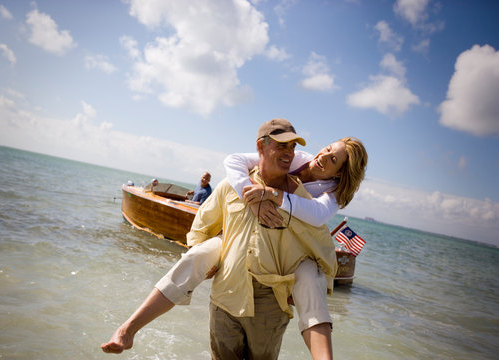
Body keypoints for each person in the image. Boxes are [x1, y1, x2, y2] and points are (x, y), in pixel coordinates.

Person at [101, 121, 368, 359]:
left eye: (292, 148)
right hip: (227, 292)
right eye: (281, 147)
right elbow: (203, 224)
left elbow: (320, 243)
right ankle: (128, 328)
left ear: (338, 173)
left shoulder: (308, 200)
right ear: (260, 148)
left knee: (309, 279)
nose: (290, 154)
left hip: (272, 299)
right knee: (196, 257)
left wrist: (274, 198)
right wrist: (247, 199)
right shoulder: (233, 184)